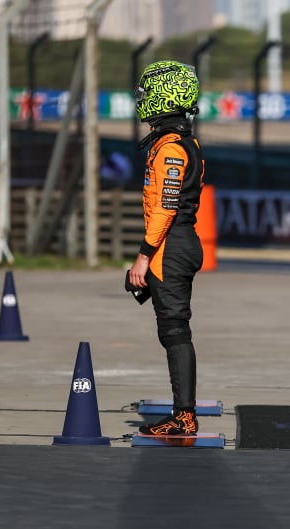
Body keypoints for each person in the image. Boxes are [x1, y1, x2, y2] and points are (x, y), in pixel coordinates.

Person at [127, 60, 204, 435]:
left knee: (174, 330)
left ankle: (184, 416)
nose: (140, 101)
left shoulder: (172, 148)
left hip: (172, 245)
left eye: (145, 94)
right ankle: (182, 412)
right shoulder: (173, 142)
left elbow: (166, 208)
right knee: (170, 329)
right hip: (174, 243)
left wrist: (143, 257)